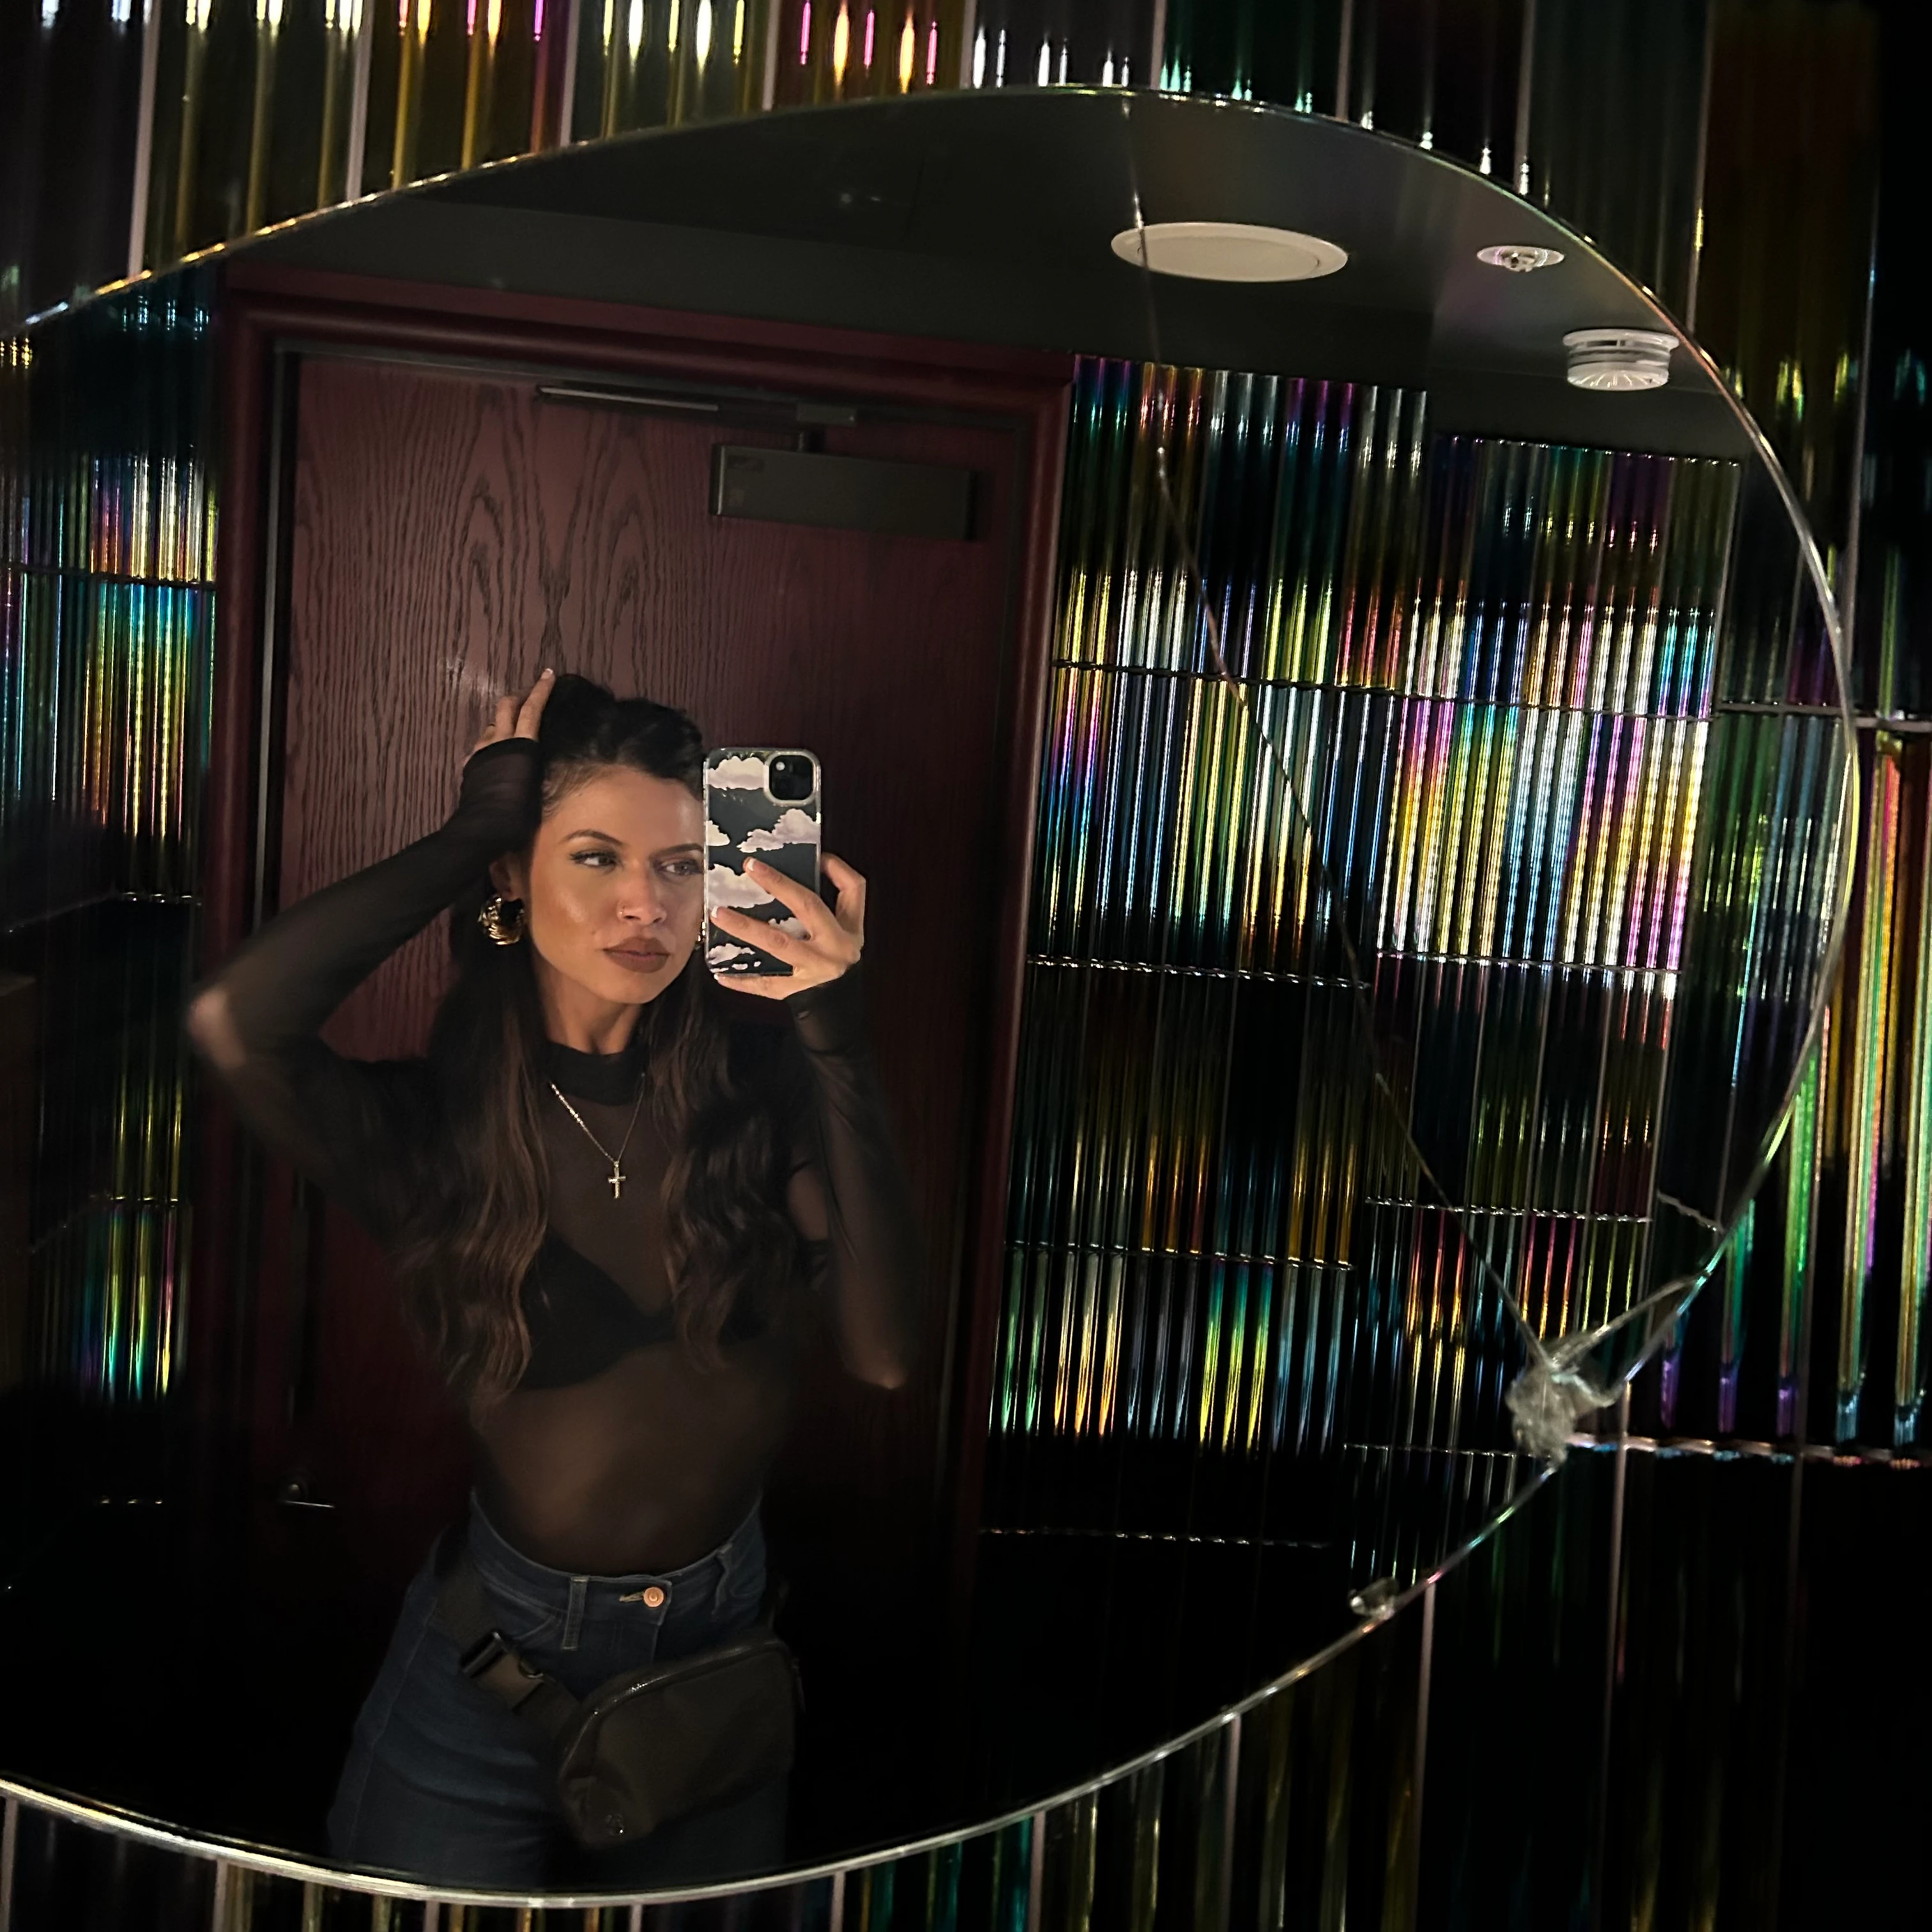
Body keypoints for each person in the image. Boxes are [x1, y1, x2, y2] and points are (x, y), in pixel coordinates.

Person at [186, 670, 920, 1889]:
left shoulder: (759, 1096)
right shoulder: (433, 1130)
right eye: (594, 857)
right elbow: (232, 1022)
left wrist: (835, 1033)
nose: (646, 903)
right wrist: (475, 829)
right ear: (515, 879)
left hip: (718, 1662)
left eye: (682, 865)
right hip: (492, 1671)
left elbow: (884, 1355)